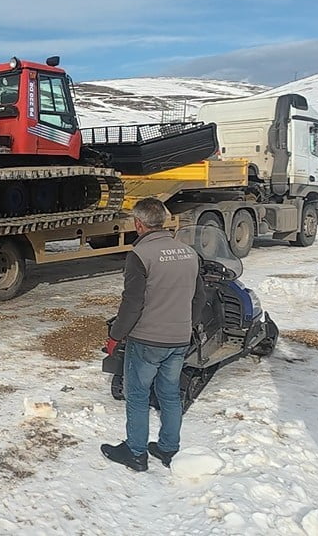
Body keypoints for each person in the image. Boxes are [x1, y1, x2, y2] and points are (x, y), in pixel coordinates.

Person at [100, 197, 205, 472]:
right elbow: (199, 297)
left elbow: (132, 303)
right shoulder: (189, 253)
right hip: (179, 338)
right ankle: (169, 448)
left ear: (138, 224)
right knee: (169, 394)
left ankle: (136, 453)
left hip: (147, 340)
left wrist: (115, 335)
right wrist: (186, 326)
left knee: (137, 395)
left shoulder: (140, 255)